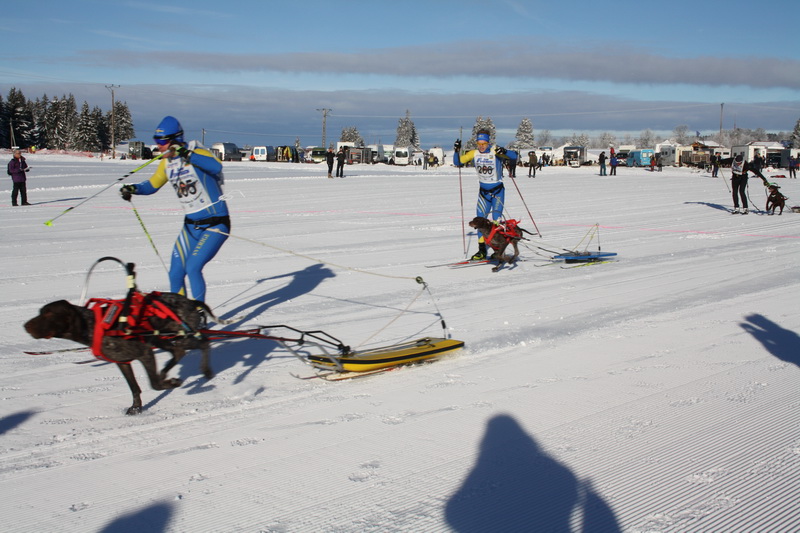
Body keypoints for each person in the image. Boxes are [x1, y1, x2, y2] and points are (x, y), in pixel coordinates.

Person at [119, 116, 230, 303]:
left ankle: (198, 316)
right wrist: (134, 188)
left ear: (175, 140)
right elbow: (152, 185)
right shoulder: (167, 162)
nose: (159, 146)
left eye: (162, 141)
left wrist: (187, 154)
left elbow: (216, 166)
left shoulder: (197, 151)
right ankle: (181, 320)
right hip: (191, 226)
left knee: (193, 268)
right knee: (175, 272)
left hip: (216, 223)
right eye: (156, 141)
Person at [452, 130, 518, 260]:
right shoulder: (474, 153)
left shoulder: (495, 151)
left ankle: (497, 249)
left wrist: (504, 152)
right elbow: (458, 162)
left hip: (497, 192)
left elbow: (514, 156)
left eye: (484, 143)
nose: (482, 146)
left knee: (495, 222)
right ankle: (482, 250)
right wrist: (456, 150)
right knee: (479, 222)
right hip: (483, 193)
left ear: (488, 142)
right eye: (479, 143)